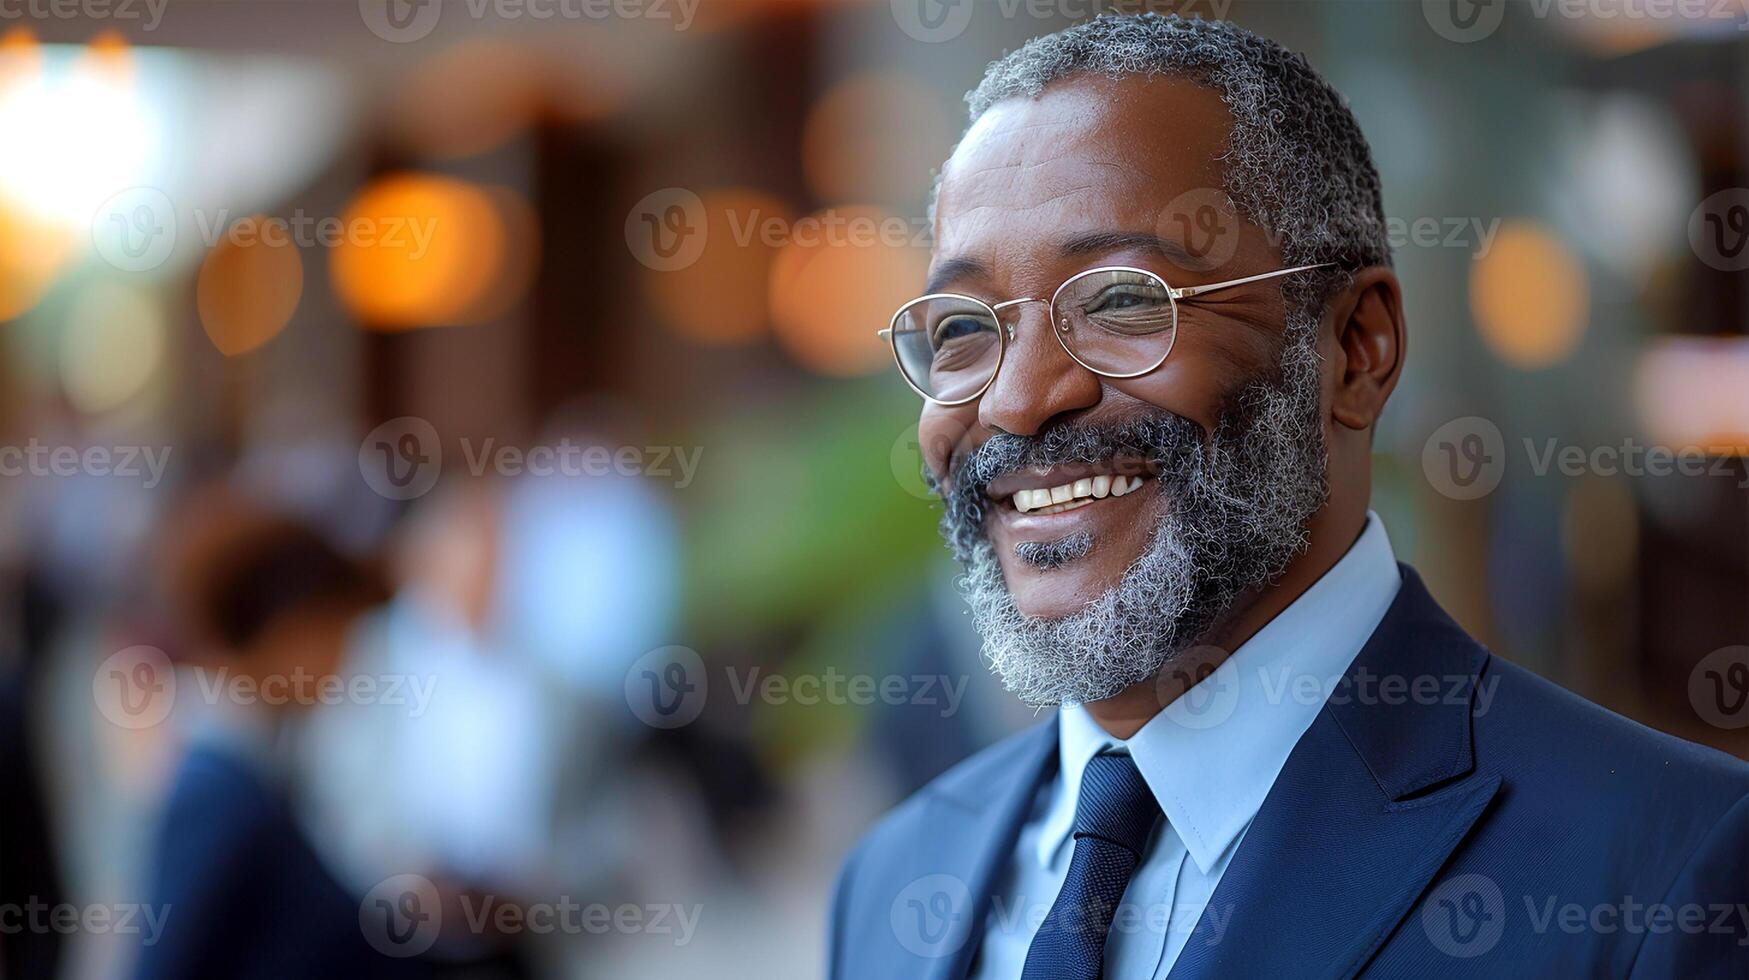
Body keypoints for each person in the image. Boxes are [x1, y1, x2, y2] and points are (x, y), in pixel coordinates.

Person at [828, 14, 1748, 979]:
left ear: (1356, 348)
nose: (1015, 403)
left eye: (1120, 302)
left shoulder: (1670, 869)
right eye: (965, 328)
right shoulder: (893, 882)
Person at [134, 493, 433, 980]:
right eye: (338, 635)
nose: (346, 662)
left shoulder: (264, 765)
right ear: (288, 633)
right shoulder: (217, 791)